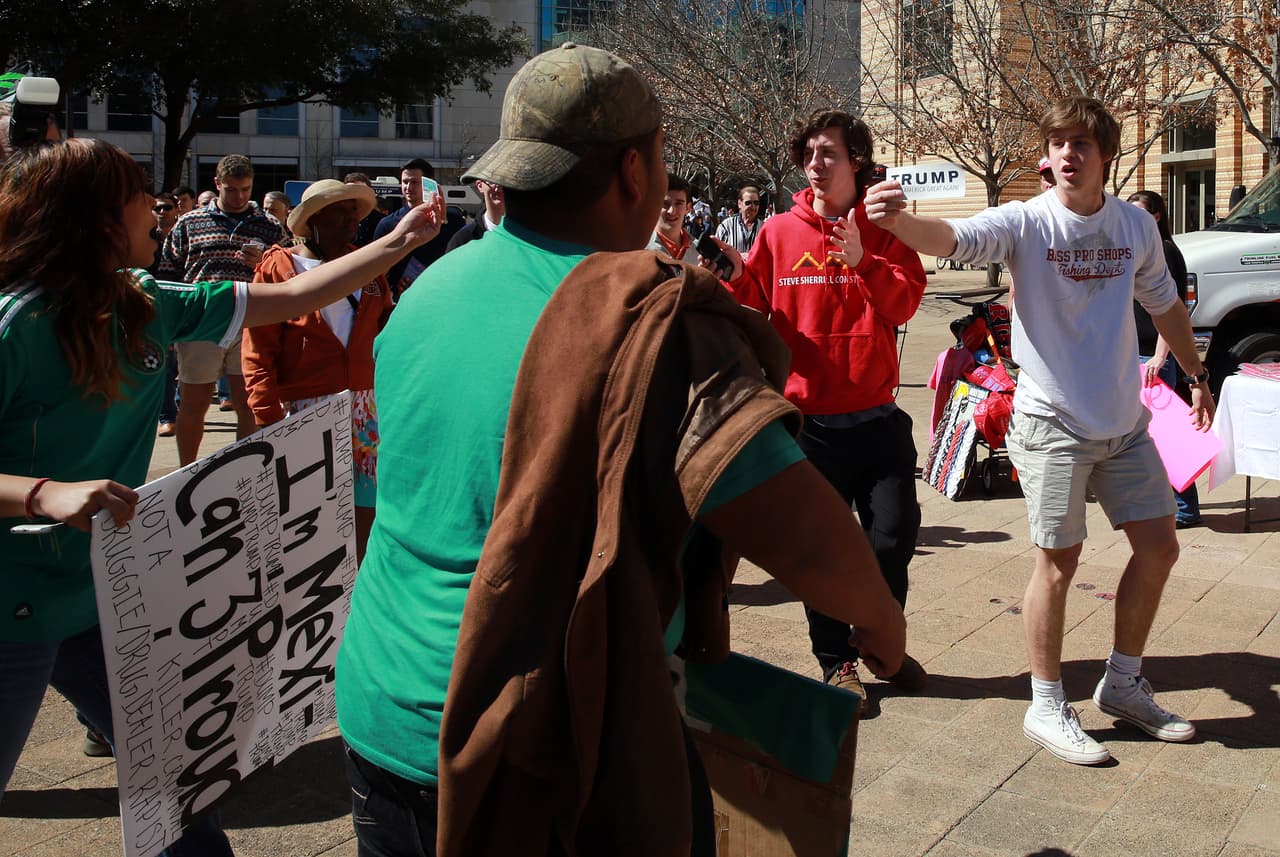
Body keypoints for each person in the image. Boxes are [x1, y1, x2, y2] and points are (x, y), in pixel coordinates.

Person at [334, 43, 906, 857]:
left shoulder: (428, 291)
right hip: (539, 738)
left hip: (380, 705)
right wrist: (879, 618)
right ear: (635, 172)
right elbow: (802, 529)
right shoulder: (654, 321)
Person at [0, 136, 443, 856]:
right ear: (92, 217)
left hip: (98, 594)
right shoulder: (16, 322)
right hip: (11, 604)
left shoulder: (147, 300)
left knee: (176, 776)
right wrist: (43, 493)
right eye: (139, 195)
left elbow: (298, 294)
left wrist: (397, 240)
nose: (157, 206)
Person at [865, 96, 1214, 765]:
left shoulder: (1133, 227)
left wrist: (1195, 374)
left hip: (1123, 420)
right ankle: (1047, 701)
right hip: (1051, 419)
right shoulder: (1028, 221)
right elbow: (956, 238)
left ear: (1105, 154)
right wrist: (904, 221)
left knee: (1161, 546)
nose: (1067, 154)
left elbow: (1164, 303)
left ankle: (1122, 682)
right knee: (1059, 563)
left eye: (1081, 142)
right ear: (1048, 154)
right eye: (1058, 142)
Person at [718, 110, 929, 715]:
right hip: (808, 429)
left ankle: (880, 642)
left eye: (829, 152)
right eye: (809, 152)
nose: (815, 163)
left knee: (892, 538)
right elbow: (751, 304)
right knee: (822, 556)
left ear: (856, 162)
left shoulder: (887, 226)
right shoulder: (779, 232)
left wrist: (864, 256)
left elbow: (906, 303)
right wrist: (730, 278)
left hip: (878, 418)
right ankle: (836, 662)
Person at [242, 180, 392, 561]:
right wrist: (267, 414)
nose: (351, 224)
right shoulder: (279, 268)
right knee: (310, 514)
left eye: (354, 216)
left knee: (367, 510)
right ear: (313, 222)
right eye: (341, 216)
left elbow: (386, 330)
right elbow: (258, 348)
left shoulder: (368, 267)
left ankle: (358, 592)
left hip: (365, 409)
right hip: (305, 409)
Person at [158, 154, 285, 464]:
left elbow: (284, 273)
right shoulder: (189, 222)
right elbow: (168, 274)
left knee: (247, 403)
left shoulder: (270, 226)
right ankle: (186, 471)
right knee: (193, 404)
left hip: (250, 322)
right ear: (217, 185)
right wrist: (172, 326)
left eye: (245, 189)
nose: (239, 196)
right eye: (231, 189)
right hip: (200, 322)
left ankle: (242, 472)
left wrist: (264, 264)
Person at [1129, 189, 1201, 528]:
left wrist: (1160, 357)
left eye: (1141, 213)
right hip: (1135, 355)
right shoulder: (1141, 249)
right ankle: (1159, 504)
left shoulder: (1165, 251)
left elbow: (1172, 310)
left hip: (1154, 357)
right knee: (1144, 437)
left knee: (1167, 438)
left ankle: (1185, 510)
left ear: (1156, 216)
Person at [371, 157, 463, 293]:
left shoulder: (453, 221)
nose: (408, 187)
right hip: (400, 299)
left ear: (428, 184)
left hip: (442, 294)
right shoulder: (387, 224)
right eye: (405, 182)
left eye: (414, 182)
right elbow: (375, 269)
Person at [151, 192, 181, 440]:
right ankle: (167, 416)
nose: (162, 212)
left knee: (175, 366)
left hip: (178, 305)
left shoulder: (181, 233)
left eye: (166, 207)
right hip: (149, 308)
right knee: (164, 367)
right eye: (157, 208)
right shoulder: (145, 237)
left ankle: (174, 410)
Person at [646, 172, 699, 262]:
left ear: (688, 208)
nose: (671, 211)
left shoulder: (700, 252)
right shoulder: (638, 250)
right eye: (665, 204)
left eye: (678, 204)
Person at [445, 178, 504, 251]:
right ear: (480, 186)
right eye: (491, 181)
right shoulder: (462, 240)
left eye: (505, 181)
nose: (498, 187)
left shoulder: (521, 233)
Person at [715, 184, 765, 254]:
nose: (753, 207)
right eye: (748, 203)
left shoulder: (764, 228)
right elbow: (715, 254)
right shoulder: (726, 226)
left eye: (756, 203)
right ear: (739, 204)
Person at [345, 172, 386, 246]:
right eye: (351, 191)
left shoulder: (382, 221)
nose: (356, 195)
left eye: (361, 191)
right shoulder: (337, 219)